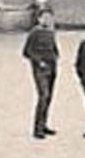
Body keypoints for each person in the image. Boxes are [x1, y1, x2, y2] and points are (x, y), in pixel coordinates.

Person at [23, 8, 60, 139]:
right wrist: (39, 62)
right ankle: (37, 129)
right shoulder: (34, 32)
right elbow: (27, 51)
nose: (47, 20)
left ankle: (44, 125)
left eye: (49, 17)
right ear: (39, 19)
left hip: (52, 67)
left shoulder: (51, 32)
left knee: (49, 97)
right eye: (44, 17)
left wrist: (56, 57)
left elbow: (54, 48)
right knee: (43, 96)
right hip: (40, 69)